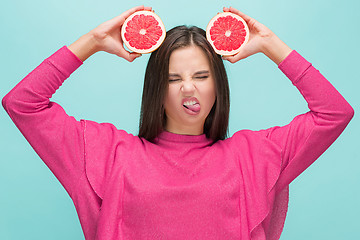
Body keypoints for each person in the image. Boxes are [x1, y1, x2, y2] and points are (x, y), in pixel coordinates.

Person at [2, 5, 354, 240]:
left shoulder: (253, 154)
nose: (188, 87)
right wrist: (92, 43)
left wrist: (270, 44)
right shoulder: (110, 153)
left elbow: (334, 113)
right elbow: (22, 104)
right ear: (157, 88)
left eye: (201, 75)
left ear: (218, 84)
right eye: (173, 79)